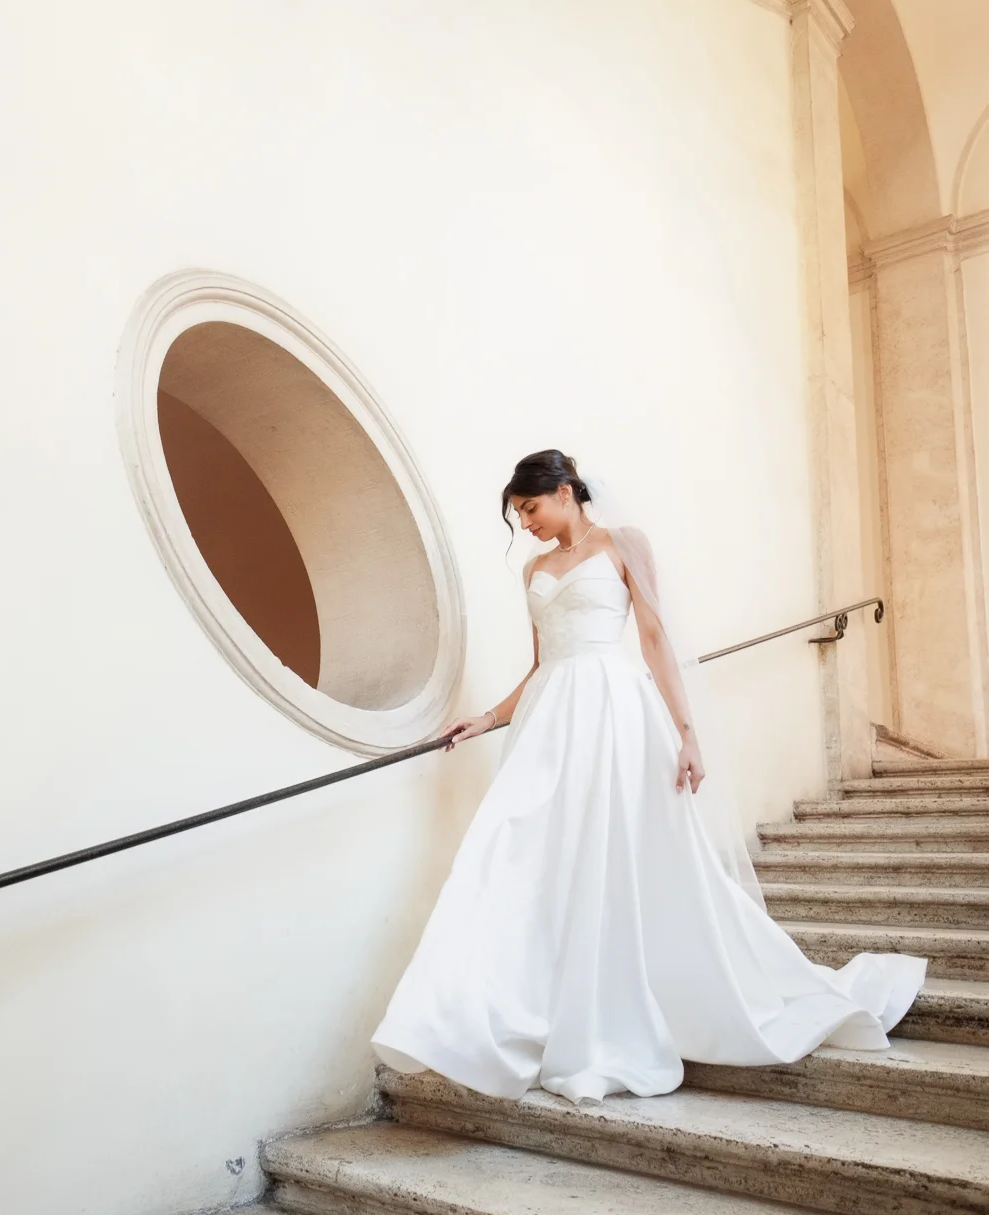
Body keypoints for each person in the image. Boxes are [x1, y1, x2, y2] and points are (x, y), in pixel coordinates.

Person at [372, 448, 925, 1104]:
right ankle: (469, 1017)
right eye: (518, 515)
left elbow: (656, 640)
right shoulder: (534, 570)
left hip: (617, 716)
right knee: (516, 854)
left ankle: (624, 1011)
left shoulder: (625, 544)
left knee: (622, 858)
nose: (527, 524)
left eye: (531, 508)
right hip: (549, 726)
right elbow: (541, 666)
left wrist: (687, 735)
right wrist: (485, 718)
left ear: (564, 490)